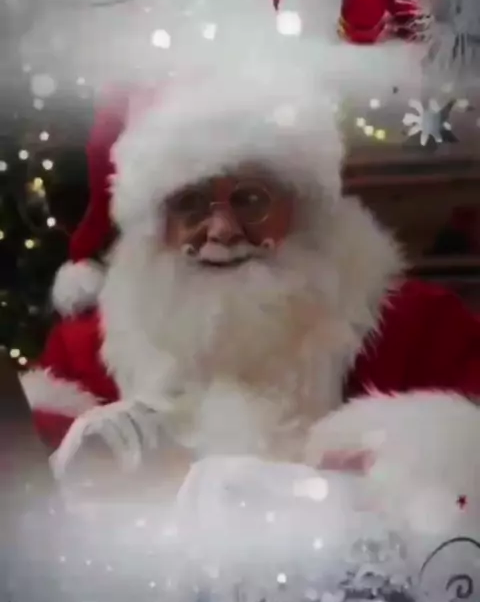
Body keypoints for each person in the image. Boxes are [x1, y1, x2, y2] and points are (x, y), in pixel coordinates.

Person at [20, 67, 480, 485]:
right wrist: (68, 466)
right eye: (190, 203)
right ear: (158, 223)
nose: (222, 229)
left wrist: (340, 497)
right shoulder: (86, 347)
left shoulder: (417, 326)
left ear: (299, 205)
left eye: (251, 199)